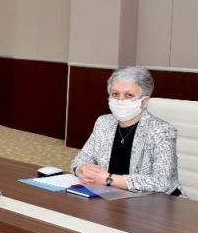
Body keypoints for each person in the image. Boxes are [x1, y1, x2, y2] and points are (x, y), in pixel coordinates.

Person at [71, 66, 181, 195]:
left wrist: (109, 179)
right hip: (111, 196)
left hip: (156, 201)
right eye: (115, 94)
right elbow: (82, 158)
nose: (120, 100)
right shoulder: (103, 122)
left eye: (129, 95)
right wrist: (81, 169)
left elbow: (162, 182)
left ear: (144, 101)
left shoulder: (161, 131)